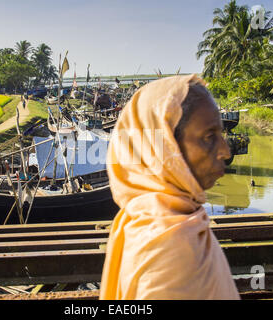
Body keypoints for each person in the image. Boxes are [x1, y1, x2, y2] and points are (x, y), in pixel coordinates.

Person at [99, 74, 239, 300]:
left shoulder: (176, 218)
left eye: (220, 133)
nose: (226, 151)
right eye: (209, 136)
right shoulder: (167, 246)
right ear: (165, 147)